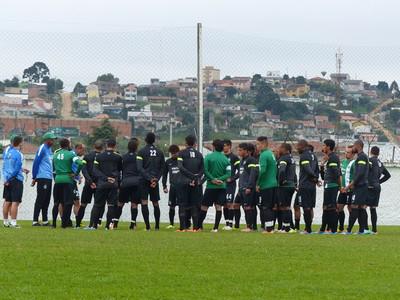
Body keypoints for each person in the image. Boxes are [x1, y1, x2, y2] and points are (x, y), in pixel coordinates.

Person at [87, 139, 122, 230]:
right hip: (113, 184)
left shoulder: (99, 156)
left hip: (102, 184)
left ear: (106, 145)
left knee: (97, 205)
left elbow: (95, 171)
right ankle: (107, 226)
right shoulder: (118, 157)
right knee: (111, 205)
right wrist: (116, 181)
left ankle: (94, 225)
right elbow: (120, 170)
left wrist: (105, 178)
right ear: (114, 146)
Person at [52, 138, 86, 228]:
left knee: (56, 203)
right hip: (68, 180)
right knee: (68, 202)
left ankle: (54, 224)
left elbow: (53, 168)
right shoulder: (71, 154)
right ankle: (64, 223)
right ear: (68, 145)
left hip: (58, 179)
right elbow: (80, 163)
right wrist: (76, 174)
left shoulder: (55, 154)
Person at [199, 139, 231, 232]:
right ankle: (215, 228)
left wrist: (213, 179)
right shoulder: (226, 159)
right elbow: (228, 173)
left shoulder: (208, 157)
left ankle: (199, 227)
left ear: (213, 146)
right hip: (221, 187)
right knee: (218, 207)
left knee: (204, 206)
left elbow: (205, 170)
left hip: (211, 186)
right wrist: (220, 180)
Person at [137, 132, 165, 231]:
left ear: (145, 140)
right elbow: (162, 168)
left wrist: (149, 178)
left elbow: (139, 168)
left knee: (144, 202)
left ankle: (148, 226)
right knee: (155, 203)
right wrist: (156, 179)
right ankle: (157, 226)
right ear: (154, 140)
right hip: (155, 181)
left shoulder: (141, 152)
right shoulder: (160, 152)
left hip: (144, 180)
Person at [177, 135, 204, 231]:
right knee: (194, 205)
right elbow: (202, 169)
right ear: (194, 143)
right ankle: (195, 228)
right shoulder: (199, 154)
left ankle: (182, 228)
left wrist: (190, 177)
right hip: (195, 183)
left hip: (184, 182)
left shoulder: (181, 153)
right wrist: (196, 178)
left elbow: (180, 167)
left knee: (182, 204)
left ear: (186, 143)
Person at [75, 140, 104, 228]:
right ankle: (95, 223)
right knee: (98, 204)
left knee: (83, 204)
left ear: (94, 146)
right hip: (100, 183)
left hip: (89, 183)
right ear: (102, 148)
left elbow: (84, 170)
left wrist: (90, 181)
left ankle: (77, 224)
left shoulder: (87, 156)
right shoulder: (103, 157)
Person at [31, 132, 57, 226]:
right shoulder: (42, 147)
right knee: (40, 199)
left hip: (49, 177)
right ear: (47, 140)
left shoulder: (50, 149)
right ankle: (35, 220)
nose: (53, 141)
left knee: (47, 199)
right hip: (42, 177)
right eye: (52, 139)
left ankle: (45, 220)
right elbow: (36, 162)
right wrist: (34, 176)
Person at [344, 140, 369, 235]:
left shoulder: (362, 156)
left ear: (358, 146)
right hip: (361, 185)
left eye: (354, 146)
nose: (353, 148)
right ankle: (361, 230)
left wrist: (351, 184)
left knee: (354, 206)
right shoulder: (361, 156)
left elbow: (361, 173)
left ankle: (349, 230)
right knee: (361, 207)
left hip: (360, 186)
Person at [116, 138, 142, 230]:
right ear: (136, 147)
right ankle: (132, 224)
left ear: (128, 147)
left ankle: (115, 223)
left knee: (120, 203)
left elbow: (119, 170)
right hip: (136, 182)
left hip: (125, 182)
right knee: (134, 204)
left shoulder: (123, 157)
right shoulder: (138, 157)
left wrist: (119, 184)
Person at [366, 146, 391, 234]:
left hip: (369, 186)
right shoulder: (380, 162)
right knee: (373, 208)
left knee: (363, 206)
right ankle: (374, 230)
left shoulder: (369, 160)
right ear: (378, 153)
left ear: (370, 152)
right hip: (377, 187)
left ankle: (365, 228)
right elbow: (388, 175)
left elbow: (365, 172)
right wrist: (378, 182)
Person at [255, 136, 278, 234]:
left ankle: (268, 229)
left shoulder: (263, 155)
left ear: (263, 144)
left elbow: (262, 171)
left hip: (266, 185)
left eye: (258, 144)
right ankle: (270, 227)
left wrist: (258, 183)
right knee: (271, 207)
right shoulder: (271, 154)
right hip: (274, 183)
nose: (257, 146)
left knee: (266, 207)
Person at [296, 140, 319, 234]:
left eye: (298, 146)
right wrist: (316, 178)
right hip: (312, 186)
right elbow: (316, 169)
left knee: (306, 207)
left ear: (302, 146)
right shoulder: (313, 155)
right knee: (309, 207)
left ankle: (307, 229)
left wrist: (313, 177)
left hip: (305, 185)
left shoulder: (304, 155)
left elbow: (307, 168)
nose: (296, 148)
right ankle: (308, 228)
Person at [2, 136, 25, 228]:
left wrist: (6, 179)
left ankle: (5, 222)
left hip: (7, 180)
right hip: (16, 179)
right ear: (20, 143)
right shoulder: (18, 154)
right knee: (15, 201)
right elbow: (16, 168)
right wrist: (11, 177)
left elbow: (4, 167)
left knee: (7, 201)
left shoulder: (8, 153)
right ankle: (14, 223)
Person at [318, 139, 341, 234]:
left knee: (332, 207)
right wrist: (322, 166)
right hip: (327, 185)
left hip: (332, 186)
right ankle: (324, 229)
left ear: (328, 147)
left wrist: (340, 186)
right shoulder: (327, 158)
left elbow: (337, 173)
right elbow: (323, 177)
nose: (322, 147)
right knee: (326, 207)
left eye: (324, 145)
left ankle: (333, 229)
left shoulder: (333, 158)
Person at [163, 145, 186, 231]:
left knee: (182, 206)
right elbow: (164, 174)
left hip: (182, 187)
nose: (173, 155)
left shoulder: (181, 161)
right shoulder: (168, 162)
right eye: (172, 153)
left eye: (175, 153)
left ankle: (183, 224)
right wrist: (164, 186)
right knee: (171, 206)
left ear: (178, 152)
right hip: (172, 187)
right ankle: (171, 223)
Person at [235, 143, 258, 232]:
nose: (239, 152)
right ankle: (246, 225)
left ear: (246, 151)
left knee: (248, 207)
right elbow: (241, 175)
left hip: (247, 188)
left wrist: (249, 186)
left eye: (240, 150)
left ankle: (250, 227)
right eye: (238, 150)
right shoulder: (242, 161)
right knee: (237, 205)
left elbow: (253, 174)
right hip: (241, 188)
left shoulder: (251, 160)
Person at [276, 143, 297, 233]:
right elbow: (294, 173)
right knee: (287, 206)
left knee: (285, 207)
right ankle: (286, 227)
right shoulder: (292, 158)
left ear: (285, 149)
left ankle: (287, 228)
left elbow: (282, 170)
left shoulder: (284, 158)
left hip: (285, 185)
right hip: (291, 185)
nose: (278, 149)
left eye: (280, 148)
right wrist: (295, 183)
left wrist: (281, 181)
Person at [222, 140, 240, 230]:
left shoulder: (234, 158)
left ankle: (230, 224)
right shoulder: (221, 157)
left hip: (230, 185)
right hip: (222, 185)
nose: (223, 147)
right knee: (224, 204)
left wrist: (232, 179)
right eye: (223, 146)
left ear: (229, 146)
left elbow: (239, 172)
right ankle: (226, 223)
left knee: (230, 204)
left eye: (225, 146)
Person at [337, 145, 355, 232]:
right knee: (339, 207)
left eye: (348, 152)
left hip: (350, 190)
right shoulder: (343, 162)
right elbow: (340, 175)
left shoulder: (354, 163)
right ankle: (341, 227)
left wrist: (348, 187)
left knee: (350, 208)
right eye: (345, 152)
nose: (346, 154)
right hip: (342, 190)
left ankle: (349, 228)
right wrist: (340, 187)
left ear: (353, 154)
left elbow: (356, 178)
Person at [71, 143, 86, 227]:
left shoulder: (71, 155)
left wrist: (78, 176)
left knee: (63, 202)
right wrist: (77, 175)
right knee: (76, 202)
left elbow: (73, 167)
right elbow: (79, 165)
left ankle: (65, 220)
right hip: (71, 181)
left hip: (65, 180)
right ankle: (78, 222)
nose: (83, 153)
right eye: (83, 150)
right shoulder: (73, 155)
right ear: (78, 148)